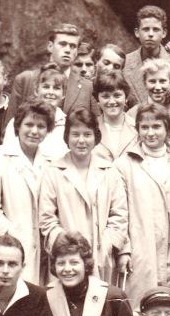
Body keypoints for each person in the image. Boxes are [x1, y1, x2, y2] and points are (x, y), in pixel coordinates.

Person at [39, 108, 129, 284]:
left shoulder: (109, 171)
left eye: (87, 134)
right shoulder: (53, 171)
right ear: (67, 137)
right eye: (75, 134)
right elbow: (46, 218)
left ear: (96, 137)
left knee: (99, 297)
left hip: (101, 256)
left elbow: (120, 214)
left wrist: (108, 243)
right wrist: (66, 245)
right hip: (66, 258)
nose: (81, 140)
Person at [114, 103, 170, 308]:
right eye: (144, 127)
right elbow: (119, 211)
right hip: (141, 246)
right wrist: (124, 250)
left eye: (156, 126)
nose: (150, 133)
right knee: (140, 306)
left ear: (167, 128)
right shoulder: (124, 164)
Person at [0, 99, 65, 284]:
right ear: (18, 126)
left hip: (46, 251)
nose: (34, 131)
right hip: (11, 248)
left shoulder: (54, 160)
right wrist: (13, 237)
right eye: (29, 124)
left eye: (41, 126)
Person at [7, 23, 93, 119]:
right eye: (63, 44)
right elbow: (10, 124)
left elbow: (95, 124)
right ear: (50, 46)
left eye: (73, 46)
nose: (68, 50)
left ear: (77, 51)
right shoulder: (25, 80)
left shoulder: (86, 86)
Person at [123, 6, 170, 108]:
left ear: (164, 33)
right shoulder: (125, 63)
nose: (150, 34)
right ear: (137, 32)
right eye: (146, 29)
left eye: (156, 29)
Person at [93, 71, 138, 162]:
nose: (112, 101)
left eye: (117, 96)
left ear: (126, 98)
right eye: (105, 96)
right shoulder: (91, 128)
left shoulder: (138, 128)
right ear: (98, 100)